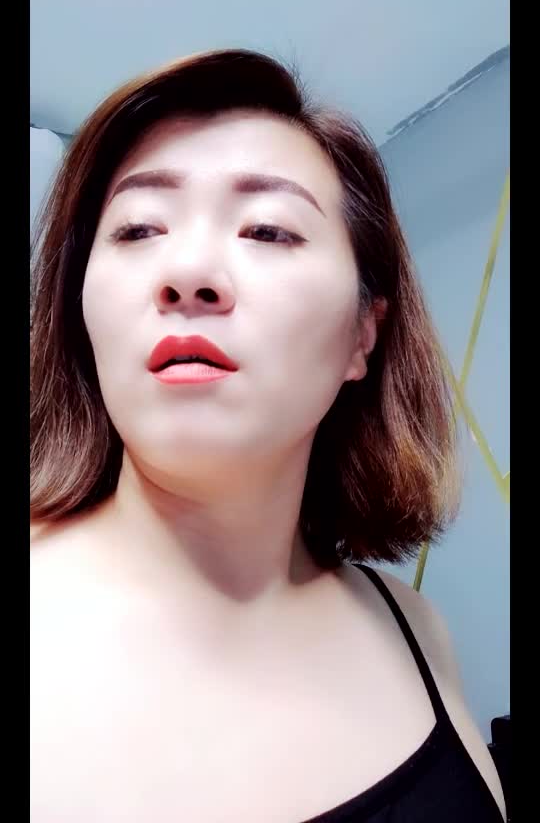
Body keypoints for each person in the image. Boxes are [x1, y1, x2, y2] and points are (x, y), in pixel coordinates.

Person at [30, 48, 506, 822]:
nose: (187, 270)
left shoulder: (415, 631)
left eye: (268, 231)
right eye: (138, 228)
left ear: (362, 334)